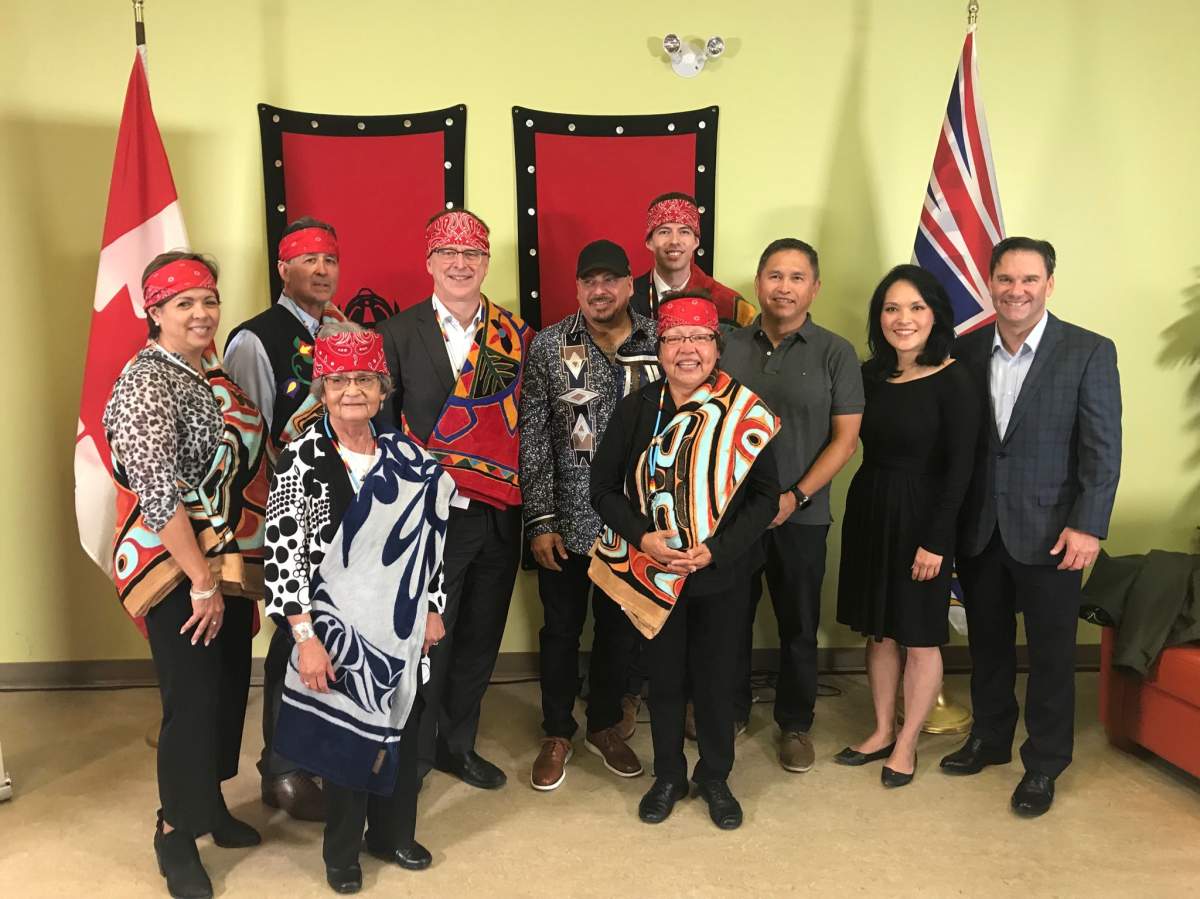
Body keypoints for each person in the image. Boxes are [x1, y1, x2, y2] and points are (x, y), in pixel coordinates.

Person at [265, 324, 456, 893]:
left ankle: (392, 833)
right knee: (350, 742)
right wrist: (306, 639)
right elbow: (283, 557)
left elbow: (432, 541)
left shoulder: (408, 456)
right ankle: (342, 853)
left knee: (406, 727)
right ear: (322, 389)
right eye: (341, 380)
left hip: (401, 630)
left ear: (383, 389)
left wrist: (432, 607)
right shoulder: (300, 461)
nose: (354, 391)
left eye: (366, 381)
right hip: (334, 632)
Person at [103, 251, 269, 899]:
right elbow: (158, 493)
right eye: (183, 303)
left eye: (208, 300)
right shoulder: (146, 381)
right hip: (175, 567)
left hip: (225, 557)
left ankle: (211, 804)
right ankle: (174, 831)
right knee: (193, 697)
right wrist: (200, 577)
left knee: (229, 688)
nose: (201, 313)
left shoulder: (208, 371)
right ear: (155, 311)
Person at [941, 237, 1122, 817]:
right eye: (1005, 279)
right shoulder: (965, 351)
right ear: (989, 282)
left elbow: (1102, 448)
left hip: (1054, 532)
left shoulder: (1088, 351)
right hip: (982, 530)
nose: (1015, 291)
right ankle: (990, 739)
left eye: (1028, 280)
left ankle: (1044, 763)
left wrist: (1089, 526)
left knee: (1049, 655)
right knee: (989, 647)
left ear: (1049, 283)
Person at [590, 291, 780, 830]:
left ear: (717, 348)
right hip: (655, 572)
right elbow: (601, 489)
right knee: (664, 678)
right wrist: (643, 538)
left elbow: (767, 497)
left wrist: (716, 550)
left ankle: (715, 776)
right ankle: (669, 775)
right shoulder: (637, 409)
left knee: (718, 680)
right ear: (660, 349)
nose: (687, 350)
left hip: (722, 574)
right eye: (675, 339)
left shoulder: (748, 412)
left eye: (699, 338)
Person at [376, 209, 533, 790]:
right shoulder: (395, 333)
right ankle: (413, 753)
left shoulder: (517, 335)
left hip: (499, 517)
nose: (461, 265)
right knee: (426, 641)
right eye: (449, 254)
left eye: (473, 255)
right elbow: (384, 433)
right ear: (430, 263)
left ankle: (457, 745)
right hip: (430, 521)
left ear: (487, 262)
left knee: (480, 638)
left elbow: (530, 429)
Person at [518, 239, 660, 791]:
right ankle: (557, 731)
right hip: (569, 521)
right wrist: (541, 520)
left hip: (635, 521)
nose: (599, 291)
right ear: (577, 288)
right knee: (560, 630)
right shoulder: (552, 346)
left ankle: (604, 725)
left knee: (619, 631)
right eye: (588, 282)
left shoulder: (659, 341)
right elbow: (534, 437)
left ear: (629, 284)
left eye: (610, 280)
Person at [833, 265, 981, 787]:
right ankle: (880, 730)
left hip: (925, 517)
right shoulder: (869, 374)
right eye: (892, 308)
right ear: (880, 317)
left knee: (919, 636)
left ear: (936, 314)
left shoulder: (956, 377)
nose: (903, 319)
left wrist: (938, 541)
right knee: (880, 630)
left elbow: (962, 468)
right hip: (872, 507)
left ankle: (909, 742)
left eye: (916, 307)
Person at [721, 238, 864, 773]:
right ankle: (729, 711)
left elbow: (844, 441)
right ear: (758, 284)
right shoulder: (727, 345)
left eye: (797, 277)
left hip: (801, 515)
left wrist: (793, 496)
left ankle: (796, 724)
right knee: (730, 618)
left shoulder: (836, 353)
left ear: (815, 288)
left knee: (798, 624)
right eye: (775, 275)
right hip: (732, 516)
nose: (784, 287)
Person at [225, 215, 350, 821]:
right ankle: (280, 767)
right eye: (308, 260)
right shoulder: (256, 338)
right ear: (283, 269)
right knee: (290, 637)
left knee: (332, 631)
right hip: (288, 509)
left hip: (343, 510)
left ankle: (323, 754)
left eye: (329, 260)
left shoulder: (345, 329)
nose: (322, 271)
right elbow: (252, 441)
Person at [630, 192, 756, 328]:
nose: (674, 241)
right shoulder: (626, 299)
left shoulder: (729, 304)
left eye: (684, 232)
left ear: (696, 241)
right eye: (664, 232)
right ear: (649, 242)